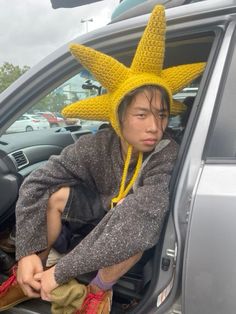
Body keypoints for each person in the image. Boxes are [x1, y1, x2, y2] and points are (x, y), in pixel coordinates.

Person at [0, 5, 205, 313]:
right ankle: (29, 276)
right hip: (104, 208)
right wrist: (27, 251)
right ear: (119, 117)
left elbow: (138, 226)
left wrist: (62, 271)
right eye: (141, 114)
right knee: (55, 194)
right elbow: (38, 182)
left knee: (130, 226)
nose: (154, 126)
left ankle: (97, 293)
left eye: (162, 115)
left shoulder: (167, 153)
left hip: (134, 225)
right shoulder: (97, 145)